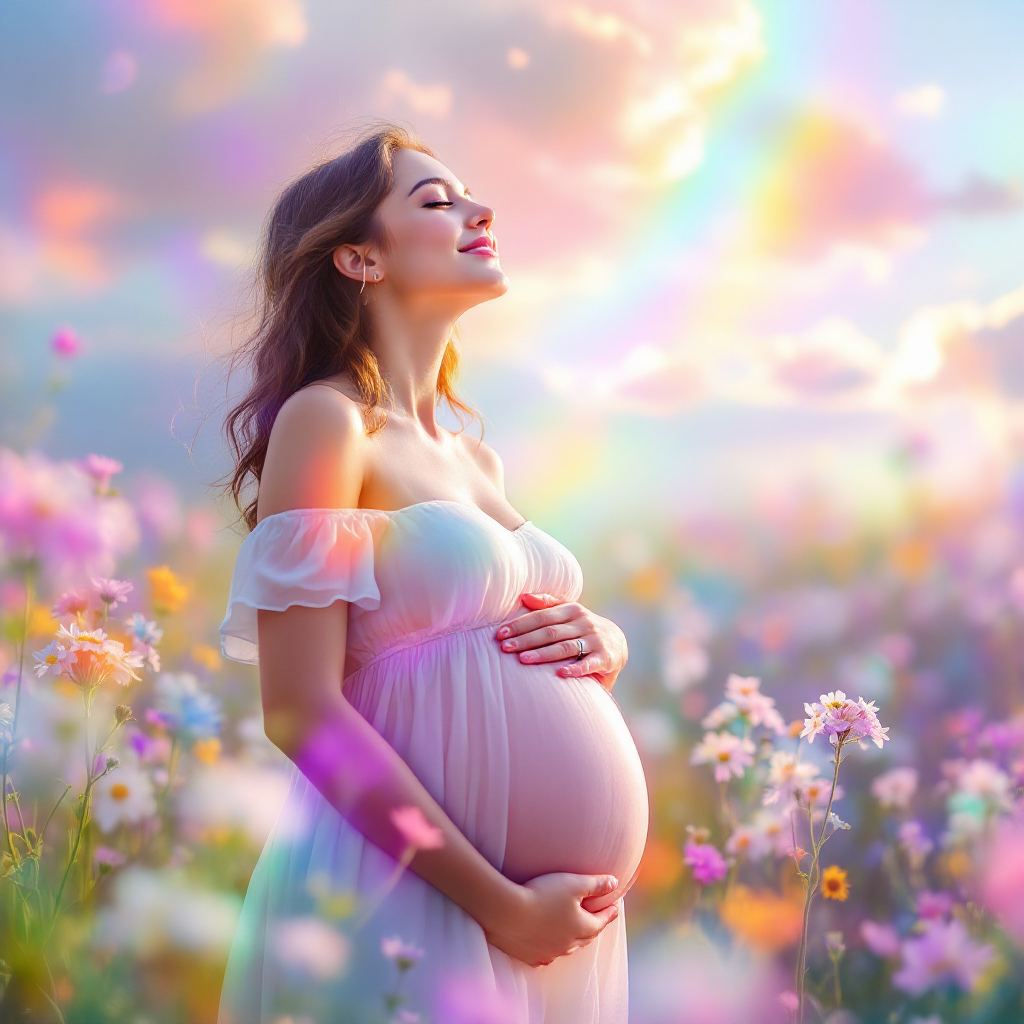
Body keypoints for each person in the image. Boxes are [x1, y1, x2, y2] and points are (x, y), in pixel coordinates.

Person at [215, 123, 649, 1024]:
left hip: (549, 930)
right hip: (409, 895)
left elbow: (517, 622)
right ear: (360, 260)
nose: (481, 211)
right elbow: (301, 713)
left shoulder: (476, 461)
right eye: (437, 200)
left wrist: (603, 638)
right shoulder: (329, 425)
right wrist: (497, 905)